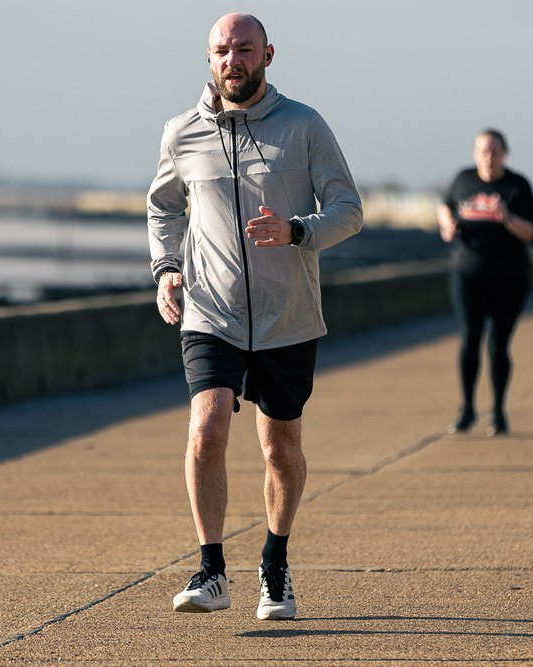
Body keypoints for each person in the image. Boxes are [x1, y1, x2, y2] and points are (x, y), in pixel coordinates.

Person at [147, 12, 362, 621]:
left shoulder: (304, 126)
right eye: (221, 50)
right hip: (209, 311)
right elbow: (162, 207)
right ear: (208, 58)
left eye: (244, 48)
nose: (231, 59)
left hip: (286, 315)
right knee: (207, 426)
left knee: (279, 447)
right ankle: (212, 568)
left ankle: (275, 564)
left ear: (268, 54)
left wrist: (297, 230)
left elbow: (348, 209)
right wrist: (165, 269)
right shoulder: (181, 132)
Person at [436, 129, 533, 437]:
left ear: (504, 153)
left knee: (498, 345)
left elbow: (532, 234)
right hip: (468, 274)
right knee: (470, 339)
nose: (489, 157)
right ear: (474, 153)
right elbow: (445, 205)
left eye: (494, 151)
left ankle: (498, 412)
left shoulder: (517, 186)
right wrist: (446, 224)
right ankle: (467, 409)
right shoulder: (463, 179)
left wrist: (506, 217)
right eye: (483, 150)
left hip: (509, 277)